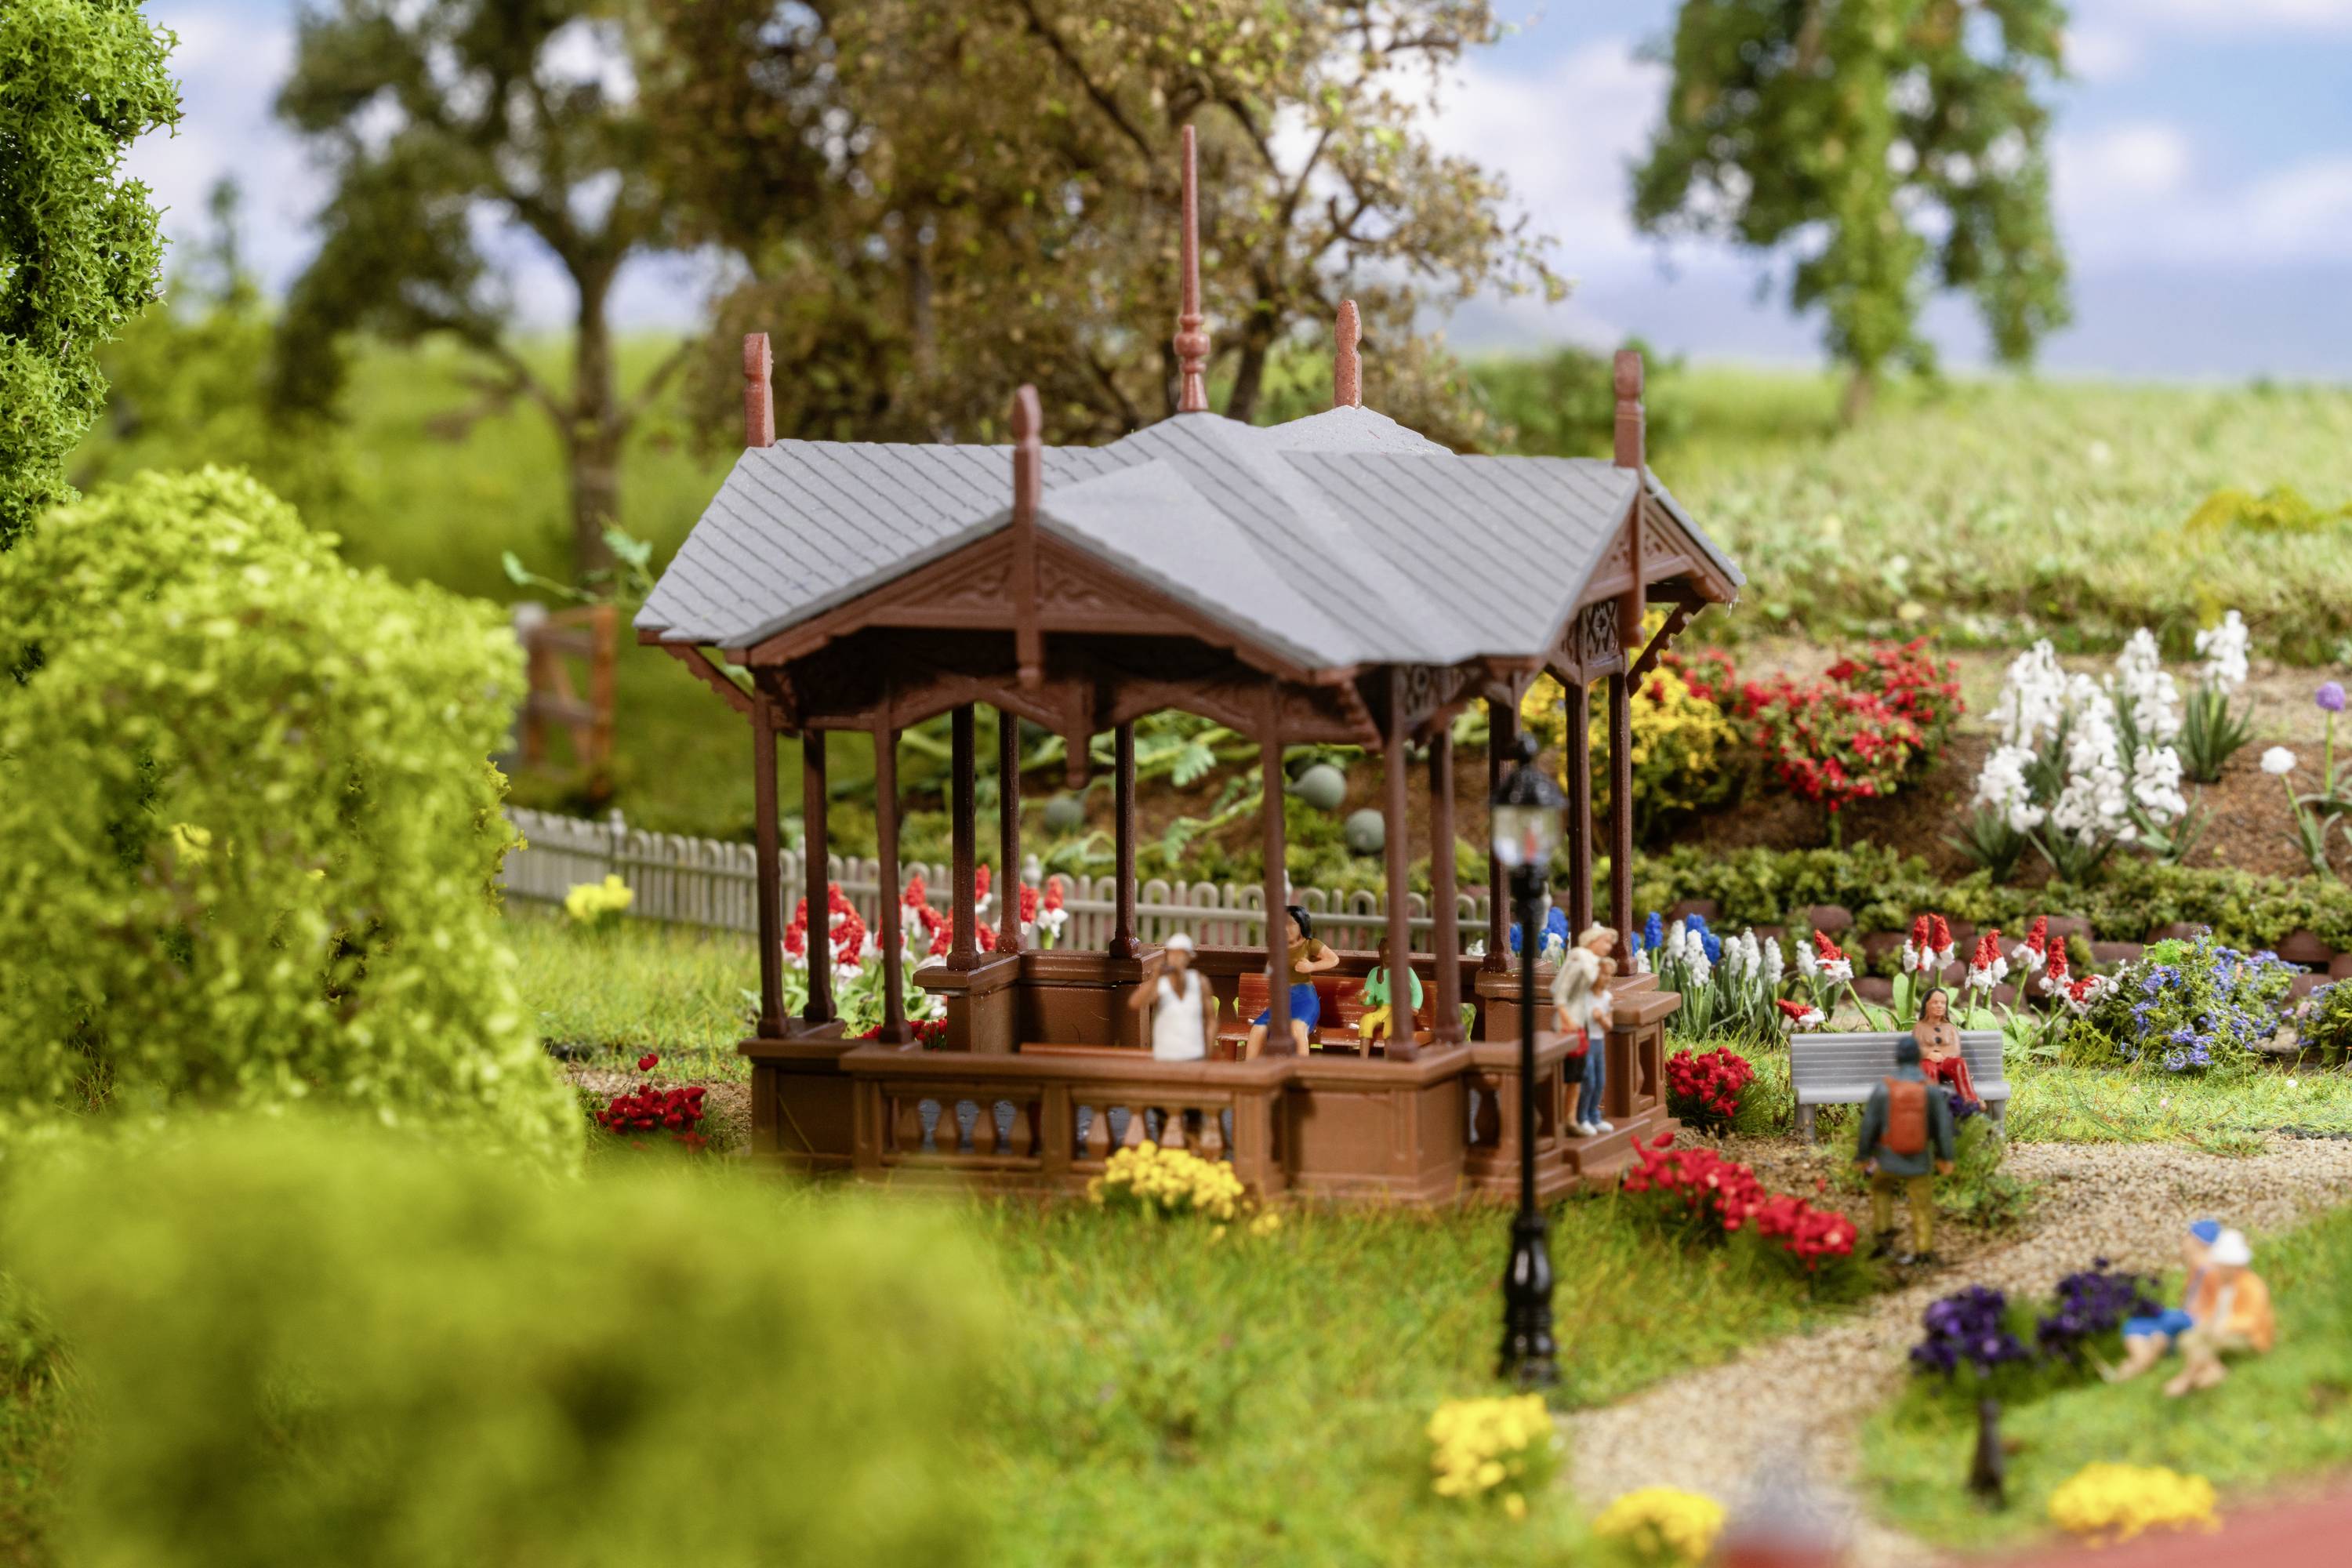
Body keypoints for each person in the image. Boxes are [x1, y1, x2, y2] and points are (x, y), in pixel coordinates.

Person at [1855, 1035, 1957, 1262]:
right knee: (1922, 1204)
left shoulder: (1884, 1088)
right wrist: (1946, 1157)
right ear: (1918, 1058)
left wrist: (1863, 1155)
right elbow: (1942, 1127)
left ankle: (1883, 1240)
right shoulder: (1930, 1089)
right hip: (1919, 1160)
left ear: (1898, 1058)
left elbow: (1869, 1125)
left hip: (1889, 1159)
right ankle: (1924, 1251)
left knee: (1881, 1189)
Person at [2165, 1228, 2274, 1397]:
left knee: (2211, 1341)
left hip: (2248, 1336)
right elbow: (2211, 1309)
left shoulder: (2252, 1286)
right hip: (2217, 1328)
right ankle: (2213, 1369)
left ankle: (2187, 1378)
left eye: (2223, 1265)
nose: (2219, 1269)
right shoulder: (2221, 1285)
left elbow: (2251, 1320)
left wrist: (2225, 1325)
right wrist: (2206, 1322)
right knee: (2189, 1339)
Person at [2109, 1219, 2221, 1383]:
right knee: (2136, 1323)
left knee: (2171, 1319)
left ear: (2199, 1241)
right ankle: (2141, 1360)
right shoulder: (2195, 1269)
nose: (2184, 1240)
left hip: (2199, 1322)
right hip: (2185, 1318)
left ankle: (2141, 1363)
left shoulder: (2214, 1270)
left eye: (2188, 1236)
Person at [1550, 924, 1620, 1138]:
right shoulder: (1579, 959)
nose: (1609, 947)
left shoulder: (1593, 962)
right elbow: (1560, 991)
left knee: (1580, 1075)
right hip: (1571, 1022)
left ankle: (1576, 1118)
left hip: (1583, 1023)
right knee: (1571, 1074)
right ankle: (1563, 1119)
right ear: (1593, 940)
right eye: (1606, 941)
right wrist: (1566, 1019)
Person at [1245, 905, 1339, 1058]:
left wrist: (1312, 966)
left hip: (1304, 998)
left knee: (1296, 1027)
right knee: (1258, 1028)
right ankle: (1250, 1071)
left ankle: (1301, 1069)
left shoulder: (1310, 944)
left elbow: (1334, 959)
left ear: (1302, 924)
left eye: (1291, 924)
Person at [1150, 931, 1218, 1062]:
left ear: (1188, 957)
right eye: (1172, 954)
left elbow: (1211, 1020)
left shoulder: (1199, 982)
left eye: (1180, 954)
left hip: (1193, 1054)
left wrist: (1207, 1053)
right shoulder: (1160, 984)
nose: (1175, 958)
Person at [1913, 988, 1980, 1111]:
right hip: (1928, 1063)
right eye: (1935, 1002)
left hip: (1947, 1064)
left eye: (1943, 1003)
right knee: (1929, 1068)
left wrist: (1941, 1055)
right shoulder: (1919, 1027)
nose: (1939, 1006)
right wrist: (1928, 1054)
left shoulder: (1950, 1028)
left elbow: (1955, 1050)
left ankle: (1969, 1100)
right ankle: (1933, 1106)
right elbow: (1916, 1048)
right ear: (1926, 1005)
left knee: (1960, 1063)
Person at [1356, 935, 1425, 1053]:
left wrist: (1415, 1006)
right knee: (1366, 1021)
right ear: (1380, 952)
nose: (1387, 952)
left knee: (1390, 1025)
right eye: (1384, 950)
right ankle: (1364, 1062)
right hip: (1380, 1010)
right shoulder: (1374, 973)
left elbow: (1417, 991)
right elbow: (1370, 998)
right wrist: (1363, 998)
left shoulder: (1406, 971)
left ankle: (1389, 1062)